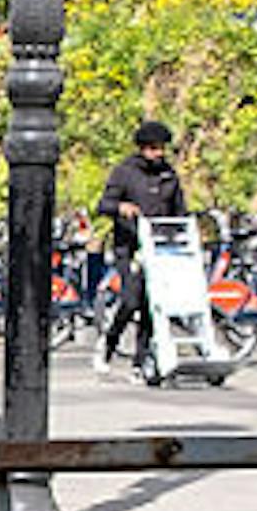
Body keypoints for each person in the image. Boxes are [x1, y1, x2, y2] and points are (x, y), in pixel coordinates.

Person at [98, 118, 185, 366]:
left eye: (162, 148)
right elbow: (103, 205)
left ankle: (140, 360)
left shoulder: (168, 175)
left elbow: (180, 210)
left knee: (151, 304)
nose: (159, 154)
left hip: (158, 247)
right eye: (154, 148)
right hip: (130, 247)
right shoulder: (125, 172)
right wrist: (121, 207)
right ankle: (109, 343)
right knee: (130, 299)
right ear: (143, 148)